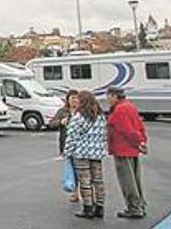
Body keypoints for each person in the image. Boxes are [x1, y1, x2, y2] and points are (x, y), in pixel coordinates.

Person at [64, 90, 108, 219]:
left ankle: (88, 208)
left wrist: (67, 153)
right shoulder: (100, 117)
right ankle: (100, 207)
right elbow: (104, 135)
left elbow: (71, 137)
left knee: (85, 182)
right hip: (97, 154)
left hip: (81, 154)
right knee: (98, 180)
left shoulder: (79, 117)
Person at [106, 87, 148, 219]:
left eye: (108, 96)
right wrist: (142, 141)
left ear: (114, 96)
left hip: (122, 148)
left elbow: (127, 130)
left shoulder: (120, 110)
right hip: (132, 149)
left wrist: (137, 142)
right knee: (136, 178)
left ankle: (134, 207)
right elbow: (139, 126)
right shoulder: (130, 106)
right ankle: (140, 205)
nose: (107, 99)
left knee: (127, 180)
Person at [49, 89, 80, 203]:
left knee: (82, 170)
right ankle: (74, 192)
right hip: (66, 144)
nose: (74, 101)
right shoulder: (63, 111)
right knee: (71, 169)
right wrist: (61, 122)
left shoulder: (82, 111)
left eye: (77, 98)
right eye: (72, 98)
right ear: (67, 100)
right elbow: (51, 124)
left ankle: (85, 191)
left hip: (81, 145)